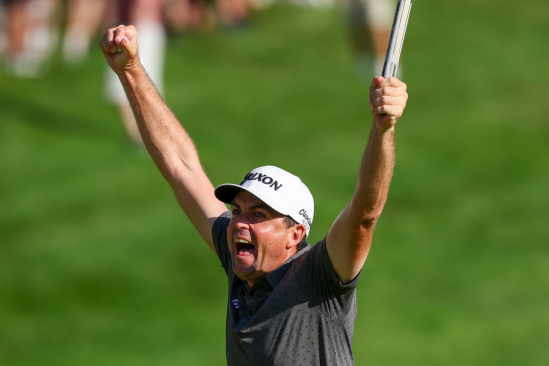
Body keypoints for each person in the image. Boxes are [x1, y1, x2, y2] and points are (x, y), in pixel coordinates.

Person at [99, 24, 408, 365]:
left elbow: (364, 215)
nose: (240, 223)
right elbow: (181, 167)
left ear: (296, 234)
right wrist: (131, 71)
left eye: (259, 215)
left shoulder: (319, 277)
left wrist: (383, 130)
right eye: (237, 211)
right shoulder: (240, 264)